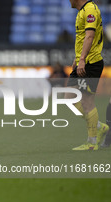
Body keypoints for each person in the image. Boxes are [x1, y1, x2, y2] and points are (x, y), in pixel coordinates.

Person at [65, 0, 109, 151]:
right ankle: (99, 127)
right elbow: (83, 38)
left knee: (87, 101)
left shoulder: (90, 9)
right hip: (82, 62)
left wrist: (82, 59)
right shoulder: (82, 11)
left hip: (90, 63)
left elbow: (90, 36)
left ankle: (92, 142)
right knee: (69, 99)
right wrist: (77, 58)